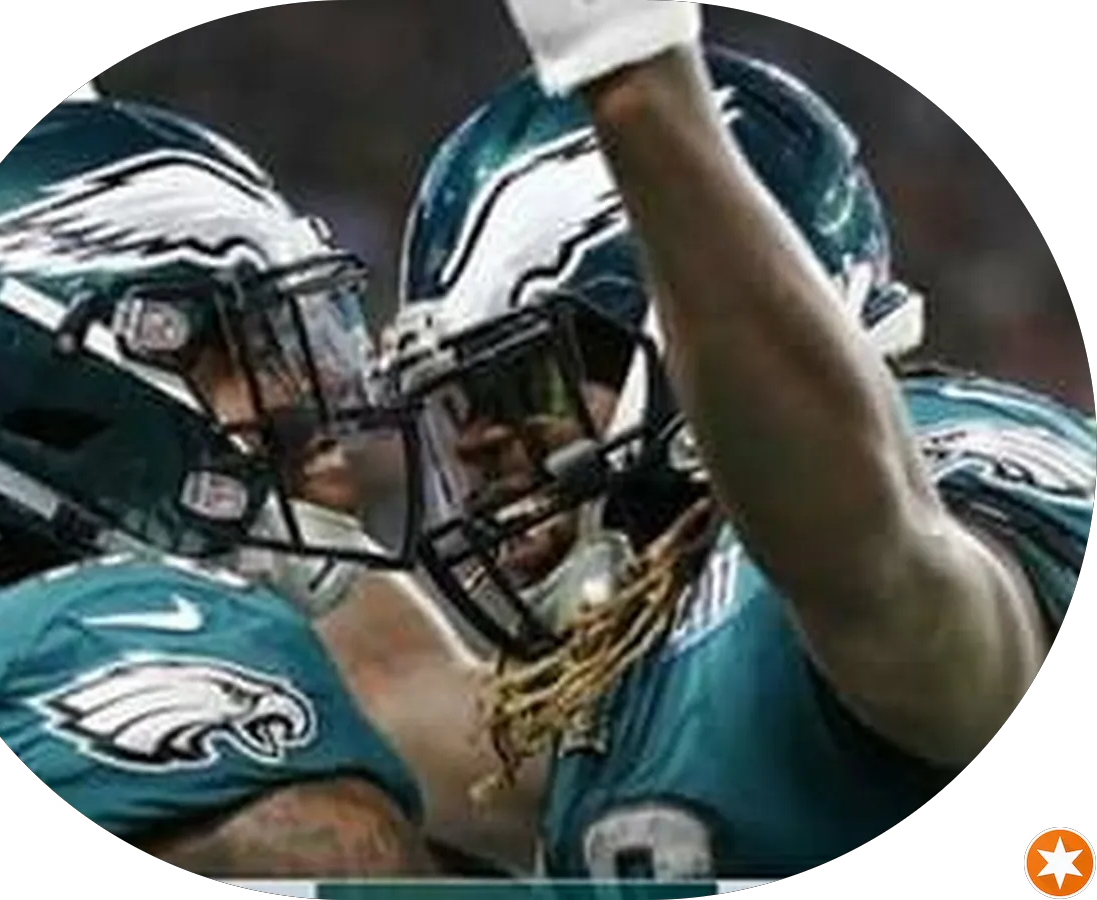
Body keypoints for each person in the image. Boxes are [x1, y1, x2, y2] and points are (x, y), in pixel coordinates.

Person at [380, 3, 1095, 881]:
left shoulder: (924, 474)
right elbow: (397, 705)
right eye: (454, 407)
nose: (476, 447)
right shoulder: (645, 627)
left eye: (520, 386)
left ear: (677, 331)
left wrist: (632, 76)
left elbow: (887, 575)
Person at [0, 86, 442, 878]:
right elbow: (344, 860)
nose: (306, 394)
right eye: (252, 345)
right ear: (68, 394)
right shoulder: (99, 630)